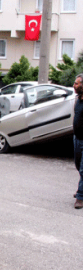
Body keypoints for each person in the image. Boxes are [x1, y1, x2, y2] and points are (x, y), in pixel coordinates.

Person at [73, 74, 83, 209]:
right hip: (77, 138)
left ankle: (80, 197)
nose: (74, 86)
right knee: (78, 166)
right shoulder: (77, 100)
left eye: (76, 83)